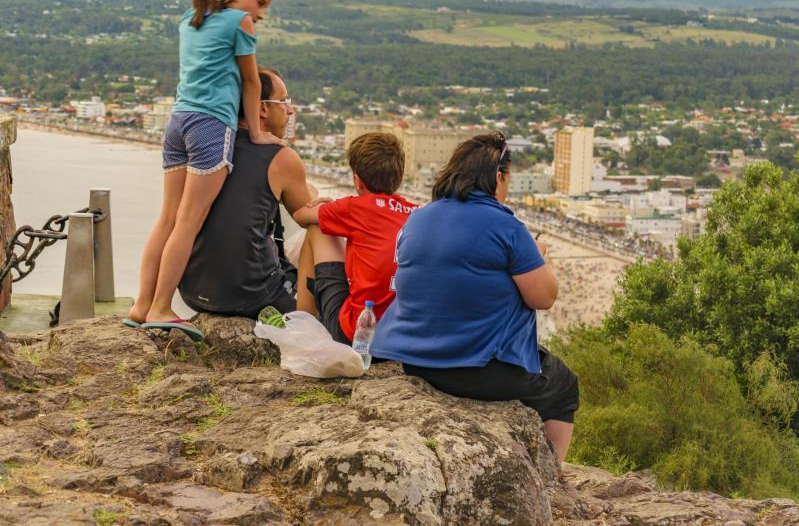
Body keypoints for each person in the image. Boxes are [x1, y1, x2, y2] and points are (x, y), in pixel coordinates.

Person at [371, 131, 578, 462]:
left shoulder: (418, 218)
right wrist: (537, 257)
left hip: (406, 357)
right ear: (498, 176)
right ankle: (552, 475)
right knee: (563, 383)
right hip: (470, 368)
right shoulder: (507, 227)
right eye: (508, 178)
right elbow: (544, 297)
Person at [127, 0, 282, 340]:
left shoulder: (190, 18)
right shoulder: (238, 23)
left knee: (166, 218)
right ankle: (162, 308)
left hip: (178, 121)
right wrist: (259, 134)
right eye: (259, 2)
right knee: (188, 222)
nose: (260, 14)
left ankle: (140, 305)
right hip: (211, 124)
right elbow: (250, 82)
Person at [176, 67, 324, 320]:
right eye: (284, 101)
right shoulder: (281, 158)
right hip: (252, 296)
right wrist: (313, 191)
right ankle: (308, 320)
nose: (290, 109)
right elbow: (305, 214)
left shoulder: (207, 146)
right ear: (263, 108)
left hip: (191, 292)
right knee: (320, 230)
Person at [292, 132, 417, 344]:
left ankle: (303, 327)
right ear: (400, 176)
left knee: (316, 229)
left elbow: (300, 216)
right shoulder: (415, 212)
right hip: (398, 336)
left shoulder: (355, 208)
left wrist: (321, 204)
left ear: (357, 181)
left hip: (357, 334)